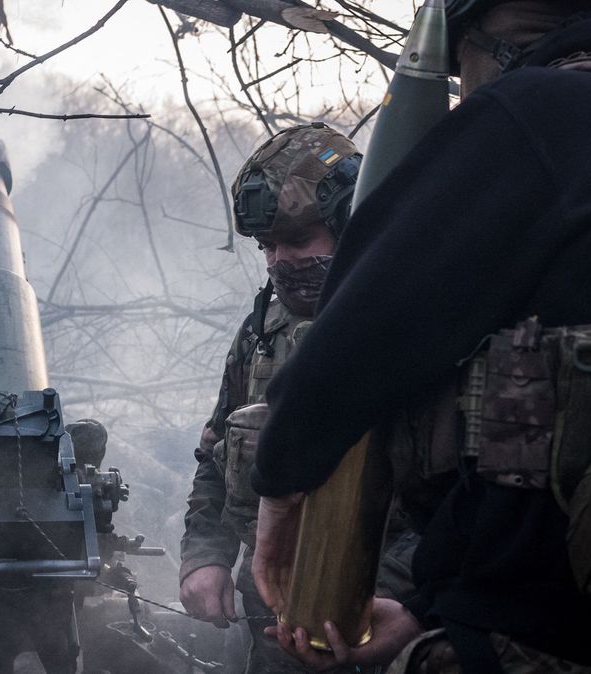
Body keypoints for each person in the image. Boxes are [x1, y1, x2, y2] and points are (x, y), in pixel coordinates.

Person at [247, 0, 591, 671]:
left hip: (527, 637)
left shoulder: (541, 114)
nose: (462, 83)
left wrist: (280, 478)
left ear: (493, 37)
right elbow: (543, 412)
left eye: (459, 62)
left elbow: (363, 333)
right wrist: (429, 598)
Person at [180, 123, 415, 673]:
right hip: (274, 631)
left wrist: (402, 596)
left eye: (299, 240)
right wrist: (205, 558)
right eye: (268, 246)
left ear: (350, 224)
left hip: (390, 623)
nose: (279, 261)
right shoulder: (265, 331)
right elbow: (216, 450)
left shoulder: (420, 330)